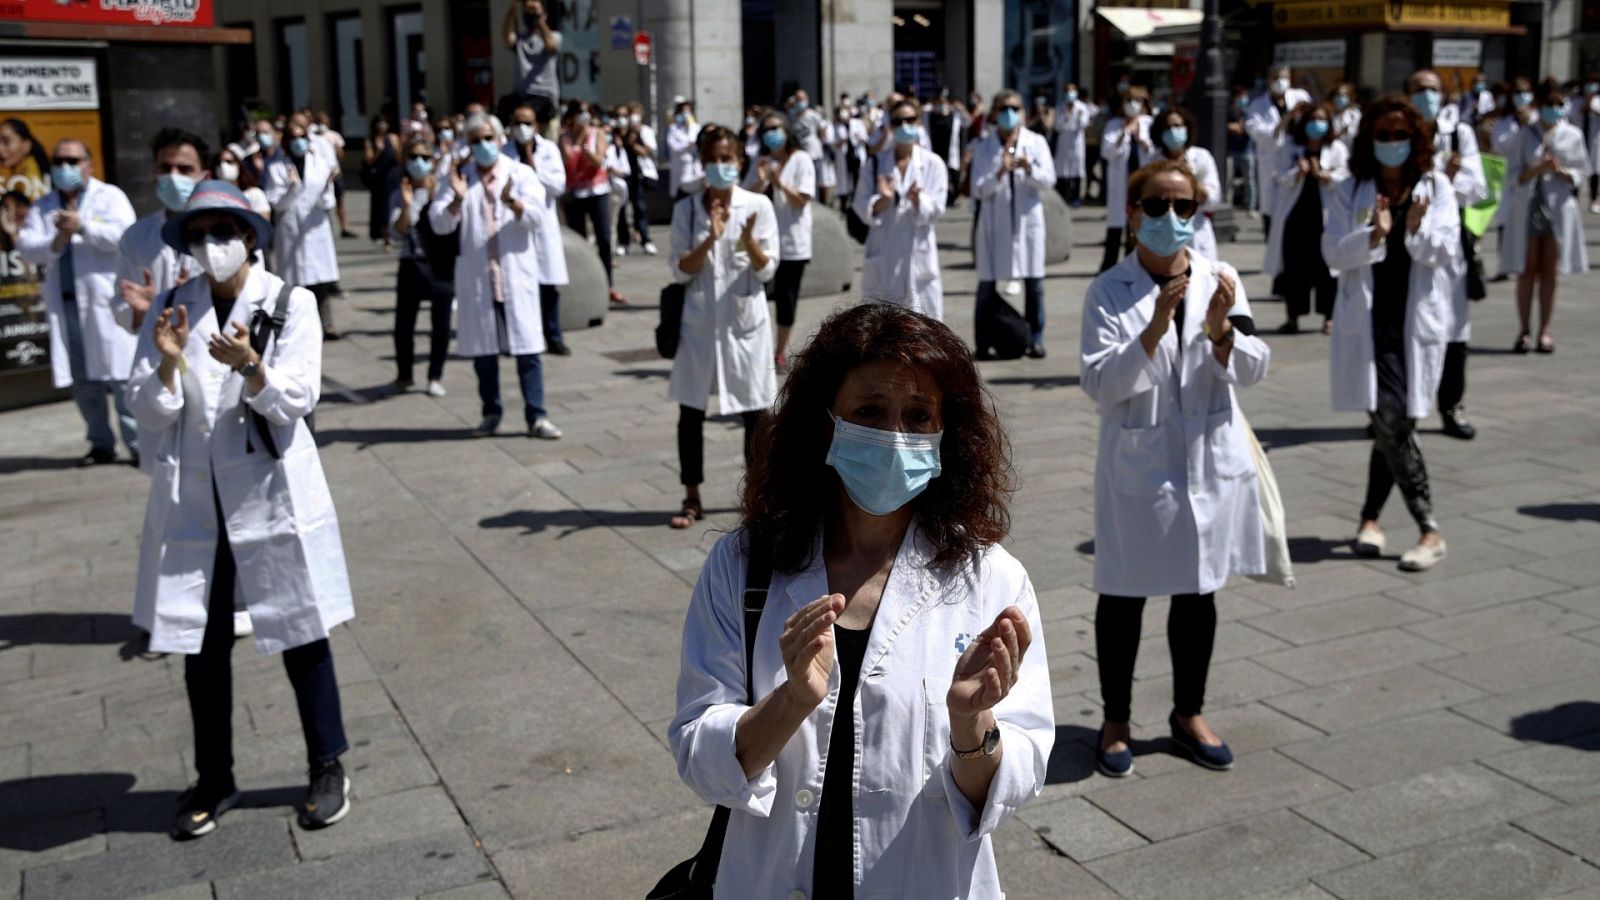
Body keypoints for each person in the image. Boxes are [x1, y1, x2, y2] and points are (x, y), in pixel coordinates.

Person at [668, 302, 1052, 897]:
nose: (894, 435)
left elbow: (1014, 780)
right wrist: (791, 701)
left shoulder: (991, 579)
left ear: (947, 433)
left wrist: (971, 723)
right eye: (869, 411)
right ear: (826, 423)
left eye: (918, 415)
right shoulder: (744, 565)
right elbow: (699, 754)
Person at [127, 179, 355, 840]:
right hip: (199, 500)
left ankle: (327, 766)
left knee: (300, 629)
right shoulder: (172, 306)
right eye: (198, 235)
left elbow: (298, 399)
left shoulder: (289, 302)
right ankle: (214, 777)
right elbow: (145, 407)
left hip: (269, 495)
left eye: (222, 232)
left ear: (250, 237)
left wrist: (253, 367)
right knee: (200, 645)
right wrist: (167, 365)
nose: (211, 245)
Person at [1080, 159, 1269, 777]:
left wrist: (1221, 334)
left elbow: (1254, 366)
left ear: (1196, 212)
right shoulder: (1109, 290)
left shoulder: (1221, 279)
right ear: (1132, 214)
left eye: (1182, 206)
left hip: (1207, 461)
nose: (1169, 217)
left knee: (1197, 589)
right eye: (1156, 205)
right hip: (1141, 465)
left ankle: (1189, 714)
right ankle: (1115, 719)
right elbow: (1099, 383)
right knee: (1123, 593)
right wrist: (1154, 329)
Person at [1324, 94, 1458, 572]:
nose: (1393, 142)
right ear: (1370, 140)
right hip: (1369, 325)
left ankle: (1395, 523)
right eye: (1384, 135)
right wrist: (1375, 236)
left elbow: (1445, 250)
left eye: (1401, 134)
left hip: (1413, 324)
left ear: (1415, 138)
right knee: (1391, 421)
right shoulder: (1350, 190)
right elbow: (1333, 253)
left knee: (1394, 422)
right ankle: (1408, 526)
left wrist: (1414, 229)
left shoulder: (1436, 186)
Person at [665, 125, 778, 530]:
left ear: (739, 161)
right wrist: (710, 239)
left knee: (755, 413)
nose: (719, 166)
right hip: (699, 324)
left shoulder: (758, 205)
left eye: (726, 159)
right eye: (712, 159)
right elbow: (681, 270)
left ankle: (758, 498)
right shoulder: (686, 209)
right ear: (701, 163)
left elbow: (768, 270)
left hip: (744, 323)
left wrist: (749, 241)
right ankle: (691, 495)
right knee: (690, 409)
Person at [428, 114, 562, 440]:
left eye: (488, 138)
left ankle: (537, 415)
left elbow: (537, 217)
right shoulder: (459, 176)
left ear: (500, 140)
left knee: (528, 350)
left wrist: (512, 203)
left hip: (515, 275)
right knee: (484, 352)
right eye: (475, 140)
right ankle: (491, 413)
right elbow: (438, 224)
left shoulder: (520, 173)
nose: (483, 145)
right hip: (479, 278)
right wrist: (457, 199)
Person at [17, 139, 138, 466]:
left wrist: (83, 226)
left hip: (106, 302)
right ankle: (100, 444)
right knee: (84, 381)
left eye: (72, 160)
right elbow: (27, 246)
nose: (65, 167)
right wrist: (57, 239)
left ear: (89, 165)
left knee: (121, 376)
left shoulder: (110, 196)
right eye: (59, 161)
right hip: (66, 305)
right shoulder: (43, 205)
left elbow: (125, 236)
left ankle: (137, 443)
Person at [1410, 69, 1488, 439]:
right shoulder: (1398, 132)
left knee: (1454, 329)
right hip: (1409, 242)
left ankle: (1451, 406)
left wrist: (1449, 178)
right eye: (1418, 90)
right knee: (1403, 327)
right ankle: (1398, 411)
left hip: (1448, 245)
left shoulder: (1459, 134)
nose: (1426, 96)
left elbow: (1477, 188)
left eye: (1432, 90)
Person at [1501, 79, 1589, 355]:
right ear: (1539, 105)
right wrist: (1538, 169)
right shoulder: (1524, 134)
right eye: (1549, 104)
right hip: (1528, 206)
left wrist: (1560, 171)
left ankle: (1545, 331)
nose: (1554, 109)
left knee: (1549, 270)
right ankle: (1524, 329)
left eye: (1559, 104)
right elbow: (1512, 176)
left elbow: (1581, 173)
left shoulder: (1572, 134)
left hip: (1558, 207)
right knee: (1527, 269)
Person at [971, 89, 1056, 360]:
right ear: (994, 114)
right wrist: (999, 172)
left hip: (1027, 224)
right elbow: (978, 189)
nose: (1010, 114)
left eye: (1015, 108)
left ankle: (1036, 339)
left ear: (1022, 112)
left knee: (1034, 284)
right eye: (1004, 108)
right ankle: (982, 343)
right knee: (986, 285)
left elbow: (1048, 180)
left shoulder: (1036, 142)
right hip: (994, 226)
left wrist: (1029, 169)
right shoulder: (984, 147)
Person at [854, 98, 949, 320]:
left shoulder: (933, 163)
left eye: (910, 120)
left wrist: (917, 200)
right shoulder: (875, 164)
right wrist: (882, 200)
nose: (904, 126)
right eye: (898, 121)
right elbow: (860, 204)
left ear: (919, 122)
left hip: (918, 255)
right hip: (884, 252)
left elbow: (937, 208)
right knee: (882, 325)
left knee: (923, 326)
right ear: (890, 125)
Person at [116, 128, 210, 338]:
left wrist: (197, 297)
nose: (174, 177)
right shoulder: (136, 236)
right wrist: (145, 311)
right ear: (154, 175)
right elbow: (121, 305)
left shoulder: (229, 233)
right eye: (166, 168)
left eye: (184, 169)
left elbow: (246, 299)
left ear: (204, 176)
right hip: (155, 349)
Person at [1265, 102, 1349, 334]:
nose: (1316, 125)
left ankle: (1328, 317)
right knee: (1295, 269)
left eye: (1321, 120)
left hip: (1326, 217)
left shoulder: (1337, 148)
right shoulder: (1291, 147)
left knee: (1326, 269)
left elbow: (1345, 175)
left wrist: (1326, 176)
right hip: (1296, 218)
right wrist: (1298, 173)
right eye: (1312, 120)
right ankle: (1293, 317)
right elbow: (1279, 176)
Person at [744, 111, 815, 371]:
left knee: (787, 297)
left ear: (786, 130)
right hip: (761, 242)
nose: (771, 134)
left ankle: (779, 351)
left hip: (792, 242)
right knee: (755, 294)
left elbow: (802, 200)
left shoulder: (801, 160)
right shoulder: (760, 161)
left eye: (776, 128)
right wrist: (762, 182)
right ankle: (755, 347)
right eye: (766, 130)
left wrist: (779, 183)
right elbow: (744, 196)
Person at [265, 119, 342, 340]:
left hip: (315, 228)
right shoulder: (276, 168)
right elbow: (277, 204)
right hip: (290, 229)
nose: (299, 142)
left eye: (302, 137)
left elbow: (327, 202)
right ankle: (298, 325)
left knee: (320, 282)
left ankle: (326, 324)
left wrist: (325, 187)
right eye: (294, 138)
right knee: (294, 284)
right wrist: (293, 188)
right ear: (287, 142)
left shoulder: (320, 164)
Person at [505, 103, 572, 356]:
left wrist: (534, 167)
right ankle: (520, 337)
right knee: (519, 286)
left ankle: (553, 335)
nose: (522, 128)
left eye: (527, 123)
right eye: (517, 123)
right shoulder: (504, 153)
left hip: (543, 224)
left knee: (548, 285)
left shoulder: (549, 150)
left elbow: (558, 185)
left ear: (537, 126)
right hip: (516, 224)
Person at [390, 138, 453, 396]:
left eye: (425, 158)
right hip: (411, 264)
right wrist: (407, 206)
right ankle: (404, 374)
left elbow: (448, 226)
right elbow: (397, 233)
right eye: (414, 157)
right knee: (404, 325)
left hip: (440, 265)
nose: (420, 163)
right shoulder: (400, 191)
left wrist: (434, 197)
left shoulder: (443, 190)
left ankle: (435, 376)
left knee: (441, 324)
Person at [560, 102, 626, 305]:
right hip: (574, 193)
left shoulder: (597, 134)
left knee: (604, 239)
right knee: (579, 242)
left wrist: (586, 149)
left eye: (587, 113)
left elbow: (599, 161)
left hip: (597, 191)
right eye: (580, 113)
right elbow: (566, 163)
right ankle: (583, 285)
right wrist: (575, 142)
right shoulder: (564, 137)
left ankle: (608, 285)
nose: (584, 117)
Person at [1246, 66, 1313, 238]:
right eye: (1276, 77)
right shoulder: (1258, 105)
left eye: (1284, 77)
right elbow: (1258, 132)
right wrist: (1286, 119)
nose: (1280, 81)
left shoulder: (1300, 97)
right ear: (1269, 80)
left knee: (1296, 207)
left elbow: (1311, 120)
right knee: (1271, 210)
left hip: (1296, 159)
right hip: (1272, 164)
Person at [1150, 106, 1223, 262]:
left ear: (1187, 128)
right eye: (1168, 128)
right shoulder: (1153, 163)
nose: (1173, 131)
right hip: (1164, 231)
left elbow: (1213, 199)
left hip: (1197, 230)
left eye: (1177, 126)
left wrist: (1189, 178)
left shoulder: (1201, 157)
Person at [1098, 87, 1156, 273]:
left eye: (1137, 101)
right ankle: (1109, 267)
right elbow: (1107, 152)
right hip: (1120, 182)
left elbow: (1154, 153)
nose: (1132, 104)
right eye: (1129, 100)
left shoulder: (1150, 124)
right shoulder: (1114, 124)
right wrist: (1124, 134)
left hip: (1141, 183)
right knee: (1116, 226)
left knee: (1137, 225)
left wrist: (1140, 139)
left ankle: (1133, 265)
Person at [505, 0, 562, 130]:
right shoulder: (520, 39)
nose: (530, 16)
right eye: (528, 13)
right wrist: (513, 7)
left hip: (546, 99)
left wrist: (538, 16)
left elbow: (551, 45)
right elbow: (506, 37)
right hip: (523, 98)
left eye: (533, 13)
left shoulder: (555, 36)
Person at [618, 101, 659, 256]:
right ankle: (624, 241)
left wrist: (634, 142)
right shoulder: (621, 132)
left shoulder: (645, 131)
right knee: (622, 210)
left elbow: (647, 151)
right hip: (623, 175)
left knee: (640, 208)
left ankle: (645, 239)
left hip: (638, 176)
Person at [314, 111, 356, 238]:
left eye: (324, 120)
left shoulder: (334, 135)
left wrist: (336, 148)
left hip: (334, 174)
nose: (322, 123)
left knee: (339, 200)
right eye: (320, 121)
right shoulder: (313, 137)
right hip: (320, 174)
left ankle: (344, 227)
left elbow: (341, 155)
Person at [1052, 83, 1095, 207]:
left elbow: (1084, 125)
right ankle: (1063, 196)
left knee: (1077, 169)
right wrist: (1066, 117)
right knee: (1062, 169)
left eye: (1072, 91)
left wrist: (1079, 118)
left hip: (1076, 143)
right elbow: (1057, 127)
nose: (1070, 94)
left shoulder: (1082, 107)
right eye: (1067, 91)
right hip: (1064, 142)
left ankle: (1076, 197)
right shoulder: (1060, 108)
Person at [363, 116, 401, 249]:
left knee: (395, 205)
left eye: (384, 122)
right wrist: (378, 151)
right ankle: (386, 237)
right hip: (380, 178)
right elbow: (369, 160)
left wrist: (396, 148)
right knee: (383, 209)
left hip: (393, 176)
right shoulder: (370, 140)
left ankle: (395, 233)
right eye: (380, 122)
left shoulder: (393, 138)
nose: (382, 125)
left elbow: (399, 159)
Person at [214, 144, 271, 222]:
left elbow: (263, 224)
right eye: (218, 163)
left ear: (238, 165)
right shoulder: (213, 198)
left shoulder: (254, 194)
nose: (223, 166)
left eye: (229, 162)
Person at [0, 117, 51, 200]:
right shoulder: (20, 172)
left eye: (6, 142)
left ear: (26, 145)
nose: (0, 148)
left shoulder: (29, 175)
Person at [1226, 88, 1256, 214]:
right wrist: (1233, 127)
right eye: (1240, 96)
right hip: (1231, 151)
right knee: (1229, 180)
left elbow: (1250, 127)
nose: (1243, 99)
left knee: (1249, 180)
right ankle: (1227, 205)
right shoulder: (1229, 112)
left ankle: (1250, 207)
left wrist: (1240, 127)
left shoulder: (1249, 112)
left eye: (1244, 96)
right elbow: (1226, 126)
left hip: (1246, 151)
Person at [667, 98, 703, 200]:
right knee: (681, 194)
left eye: (688, 111)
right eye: (683, 111)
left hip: (695, 165)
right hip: (680, 165)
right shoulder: (673, 129)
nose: (685, 114)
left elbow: (700, 144)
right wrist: (687, 146)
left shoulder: (696, 127)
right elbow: (674, 147)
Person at [1330, 83, 1362, 149]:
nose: (1339, 98)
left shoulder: (1355, 114)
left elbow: (1356, 133)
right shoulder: (1330, 114)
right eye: (1338, 95)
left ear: (1350, 97)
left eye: (1343, 95)